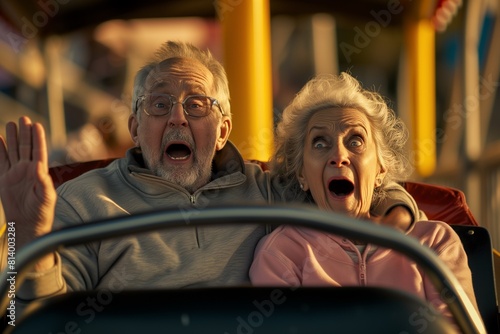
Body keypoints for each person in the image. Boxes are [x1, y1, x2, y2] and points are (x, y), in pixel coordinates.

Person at [0, 42, 419, 311]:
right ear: (134, 127)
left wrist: (395, 214)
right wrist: (24, 235)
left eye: (196, 104)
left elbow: (353, 179)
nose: (178, 117)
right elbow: (29, 317)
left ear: (223, 130)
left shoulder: (270, 190)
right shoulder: (80, 199)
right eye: (159, 105)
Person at [249, 73, 479, 326]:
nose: (339, 155)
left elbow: (458, 329)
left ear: (381, 170)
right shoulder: (282, 252)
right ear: (302, 174)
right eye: (319, 143)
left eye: (355, 140)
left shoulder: (434, 242)